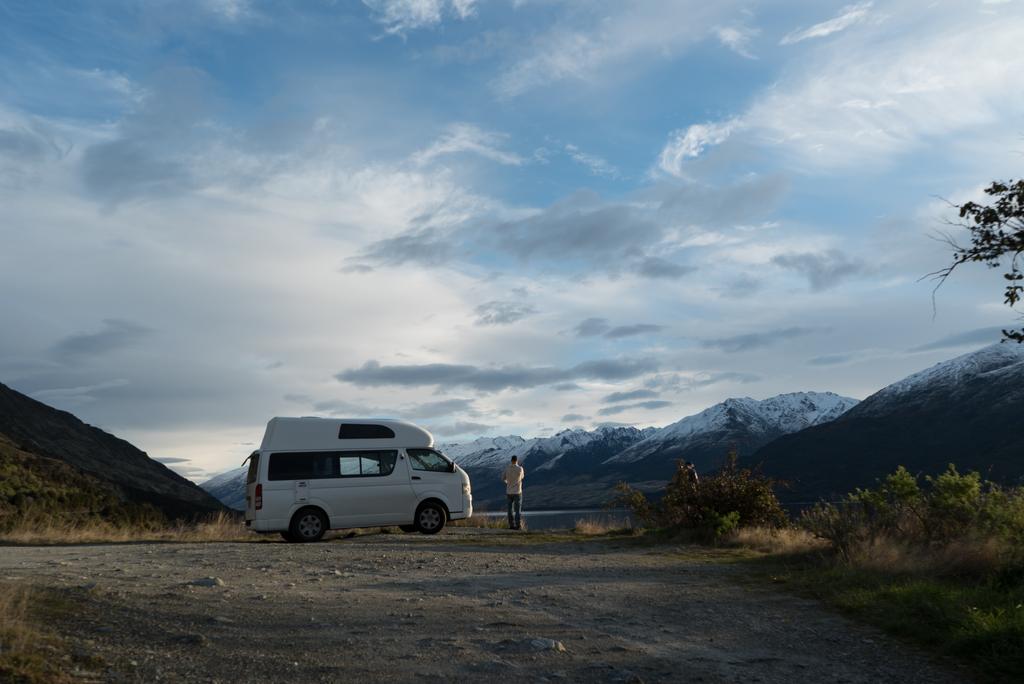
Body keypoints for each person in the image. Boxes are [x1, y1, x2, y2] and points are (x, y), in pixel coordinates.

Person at [502, 455, 525, 530]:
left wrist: (508, 483)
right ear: (517, 460)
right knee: (518, 510)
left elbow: (503, 478)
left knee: (509, 510)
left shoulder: (507, 469)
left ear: (511, 460)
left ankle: (511, 525)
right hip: (517, 492)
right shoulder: (520, 469)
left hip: (509, 492)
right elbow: (522, 477)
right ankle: (518, 526)